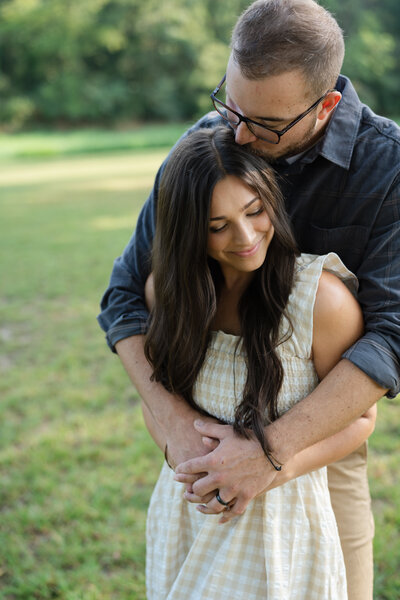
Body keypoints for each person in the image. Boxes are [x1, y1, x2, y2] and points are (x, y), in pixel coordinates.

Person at [98, 1, 400, 597]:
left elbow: (392, 336)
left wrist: (268, 454)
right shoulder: (204, 148)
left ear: (326, 106)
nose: (235, 133)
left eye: (263, 123)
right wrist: (177, 424)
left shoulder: (387, 167)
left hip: (319, 442)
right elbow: (125, 298)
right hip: (201, 444)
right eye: (229, 104)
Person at [142, 125, 376, 599]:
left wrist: (271, 467)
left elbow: (361, 419)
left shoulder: (320, 300)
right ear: (188, 230)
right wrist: (181, 454)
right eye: (217, 226)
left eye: (254, 211)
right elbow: (156, 396)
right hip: (187, 513)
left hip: (280, 523)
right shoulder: (167, 296)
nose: (246, 236)